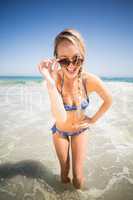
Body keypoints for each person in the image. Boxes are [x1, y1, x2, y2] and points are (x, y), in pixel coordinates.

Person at [38, 28, 112, 189]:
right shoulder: (55, 81)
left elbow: (108, 100)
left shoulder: (89, 80)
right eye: (64, 60)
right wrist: (50, 83)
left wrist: (93, 119)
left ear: (83, 57)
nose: (71, 65)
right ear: (56, 60)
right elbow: (61, 118)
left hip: (80, 131)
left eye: (76, 59)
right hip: (60, 131)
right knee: (64, 172)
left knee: (78, 176)